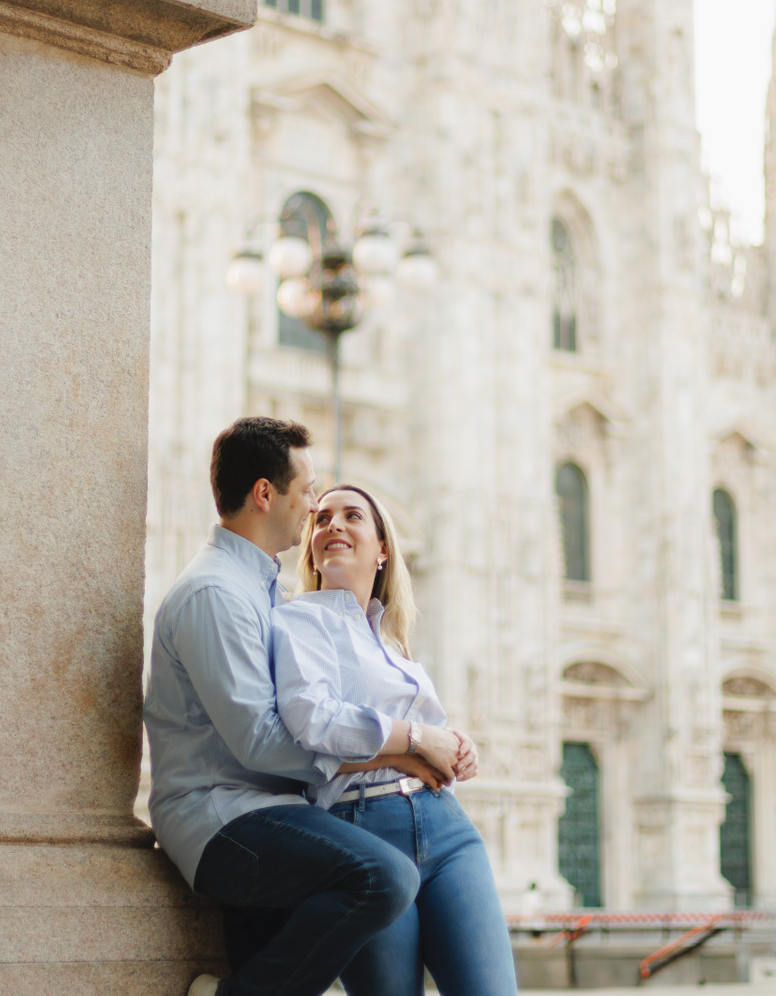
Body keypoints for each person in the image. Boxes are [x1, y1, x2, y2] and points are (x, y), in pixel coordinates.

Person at [144, 418, 447, 996]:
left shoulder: (265, 591)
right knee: (382, 875)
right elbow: (260, 740)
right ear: (265, 494)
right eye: (308, 491)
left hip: (273, 811)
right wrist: (405, 749)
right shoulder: (217, 592)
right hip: (222, 820)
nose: (313, 507)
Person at [272, 482, 517, 996]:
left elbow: (426, 734)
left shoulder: (391, 637)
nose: (333, 525)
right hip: (363, 831)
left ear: (382, 549)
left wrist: (456, 744)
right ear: (312, 549)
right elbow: (311, 726)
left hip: (448, 829)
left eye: (352, 516)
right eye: (322, 519)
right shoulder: (296, 620)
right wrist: (414, 745)